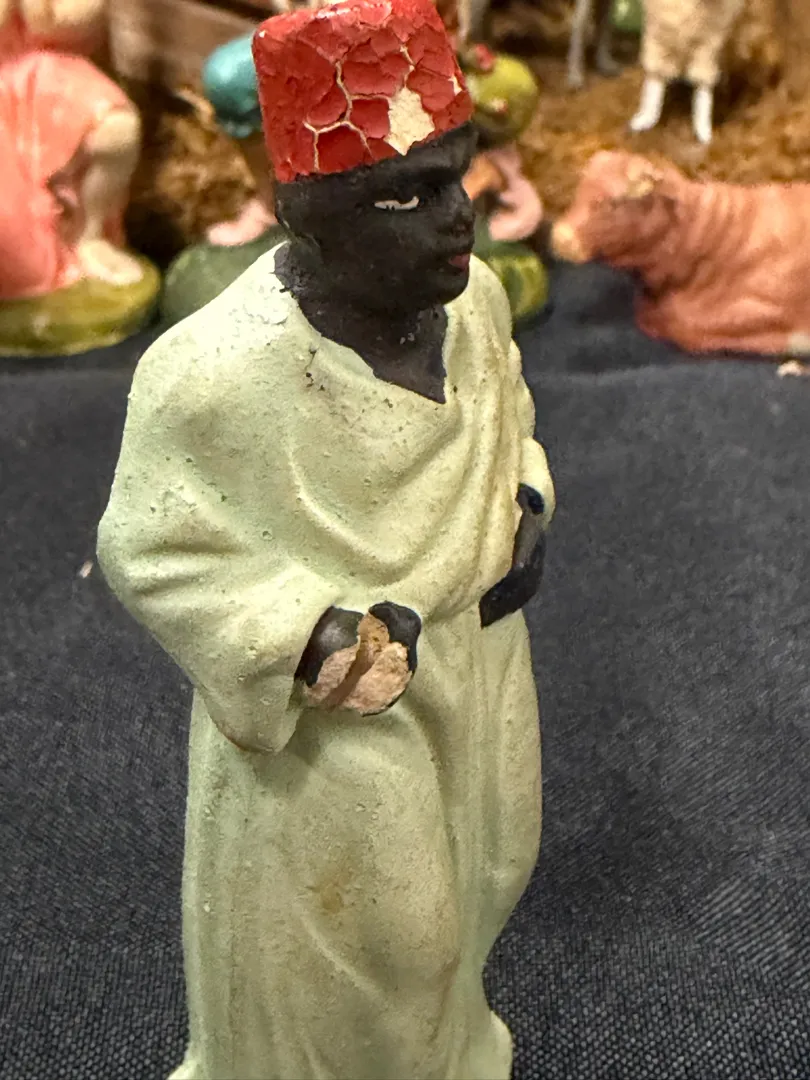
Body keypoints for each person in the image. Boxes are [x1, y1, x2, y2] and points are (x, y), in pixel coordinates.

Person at [98, 1, 555, 1077]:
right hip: (342, 710)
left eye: (458, 178)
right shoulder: (212, 374)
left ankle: (451, 1054)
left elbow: (513, 426)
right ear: (312, 216)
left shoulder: (479, 307)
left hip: (480, 653)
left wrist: (528, 503)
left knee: (495, 864)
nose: (458, 219)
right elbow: (151, 546)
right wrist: (308, 639)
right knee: (387, 934)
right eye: (408, 196)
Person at [0, 0, 143, 299]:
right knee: (19, 255)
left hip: (36, 71)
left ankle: (88, 236)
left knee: (116, 131)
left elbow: (61, 26)